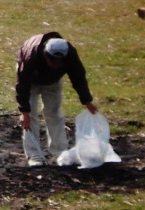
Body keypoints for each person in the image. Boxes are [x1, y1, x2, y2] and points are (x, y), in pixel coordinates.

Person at [15, 33, 97, 167]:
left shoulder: (70, 56)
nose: (55, 65)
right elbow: (22, 84)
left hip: (53, 81)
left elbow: (78, 77)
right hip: (30, 80)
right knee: (30, 115)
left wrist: (86, 100)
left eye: (59, 62)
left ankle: (60, 152)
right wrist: (24, 112)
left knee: (54, 112)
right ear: (45, 55)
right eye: (52, 61)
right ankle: (34, 155)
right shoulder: (31, 57)